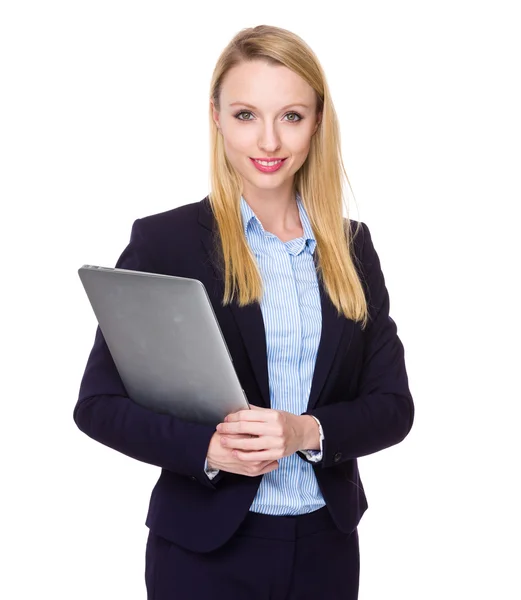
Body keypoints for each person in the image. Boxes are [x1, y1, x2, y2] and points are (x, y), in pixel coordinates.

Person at [74, 24, 414, 600]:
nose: (269, 143)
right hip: (203, 554)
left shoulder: (353, 248)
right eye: (245, 115)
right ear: (215, 116)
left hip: (325, 552)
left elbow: (393, 407)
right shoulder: (167, 242)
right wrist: (207, 448)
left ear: (318, 121)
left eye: (291, 116)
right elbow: (98, 405)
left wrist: (306, 431)